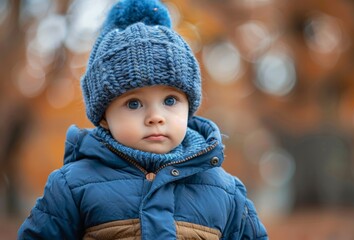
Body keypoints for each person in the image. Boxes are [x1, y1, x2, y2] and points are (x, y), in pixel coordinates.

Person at [18, 0, 268, 239]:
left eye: (170, 100)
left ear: (188, 107)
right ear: (104, 117)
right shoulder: (73, 186)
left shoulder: (223, 190)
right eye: (134, 104)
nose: (155, 117)